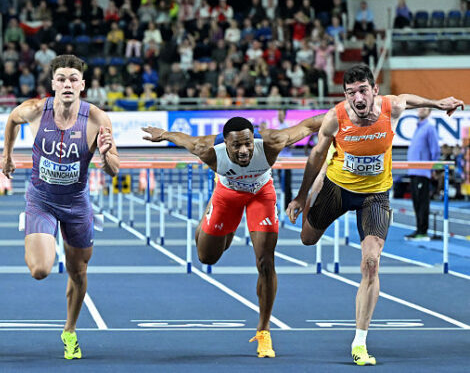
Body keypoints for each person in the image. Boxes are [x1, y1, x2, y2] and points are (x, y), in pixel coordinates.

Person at [286, 64, 463, 366]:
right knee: (306, 239)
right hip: (336, 188)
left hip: (375, 196)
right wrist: (303, 196)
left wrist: (438, 103)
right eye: (351, 92)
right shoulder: (335, 118)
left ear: (374, 91)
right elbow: (315, 155)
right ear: (345, 95)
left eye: (363, 90)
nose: (358, 97)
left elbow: (409, 98)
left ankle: (359, 342)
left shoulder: (390, 107)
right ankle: (326, 185)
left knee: (371, 263)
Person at [140, 112, 324, 359]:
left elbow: (309, 125)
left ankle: (264, 331)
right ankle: (216, 222)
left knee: (265, 262)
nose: (244, 150)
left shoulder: (272, 142)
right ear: (225, 144)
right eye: (236, 145)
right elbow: (181, 137)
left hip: (261, 194)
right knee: (207, 257)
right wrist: (162, 134)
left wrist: (345, 113)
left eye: (248, 143)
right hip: (227, 195)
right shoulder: (206, 149)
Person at [1, 54, 119, 360]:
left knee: (78, 271)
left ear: (82, 85)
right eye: (62, 79)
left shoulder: (97, 120)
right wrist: (8, 154)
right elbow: (12, 119)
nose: (67, 84)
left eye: (73, 79)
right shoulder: (36, 110)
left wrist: (105, 156)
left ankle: (69, 331)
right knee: (40, 269)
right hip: (41, 199)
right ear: (53, 84)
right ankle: (39, 234)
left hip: (77, 204)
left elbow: (114, 169)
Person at [406, 108, 440, 240]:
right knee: (416, 203)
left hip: (422, 171)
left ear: (429, 112)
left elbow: (435, 149)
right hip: (413, 171)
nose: (421, 110)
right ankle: (419, 228)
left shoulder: (429, 127)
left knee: (422, 202)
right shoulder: (418, 128)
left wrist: (433, 169)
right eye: (420, 108)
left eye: (425, 108)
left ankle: (423, 230)